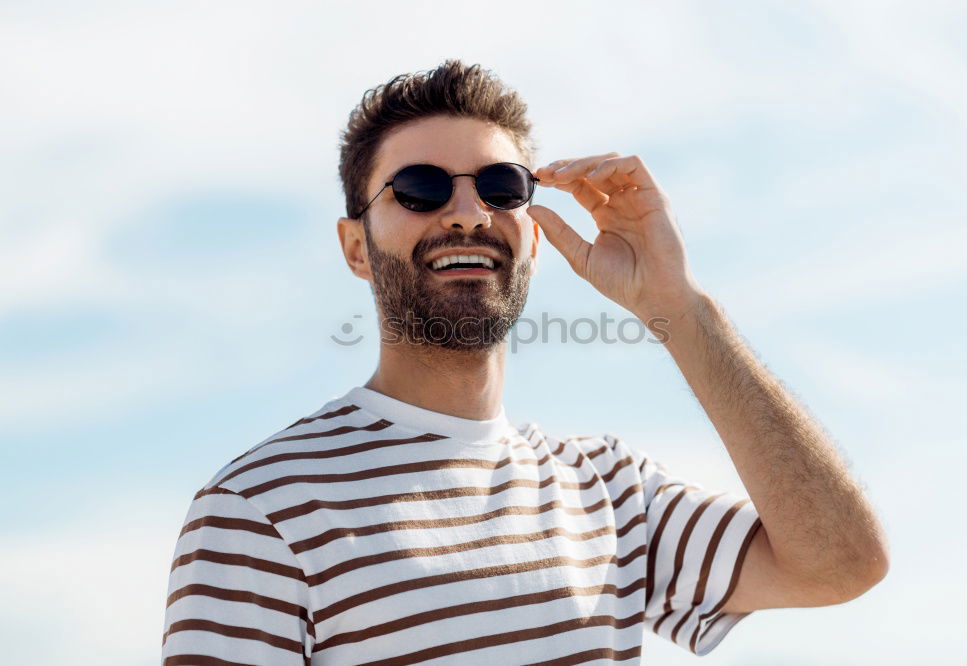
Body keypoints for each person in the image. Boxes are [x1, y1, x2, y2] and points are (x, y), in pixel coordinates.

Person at [160, 59, 889, 665]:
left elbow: (841, 562)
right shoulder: (261, 508)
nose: (470, 213)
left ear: (533, 237)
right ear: (356, 247)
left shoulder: (609, 490)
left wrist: (679, 304)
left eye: (502, 187)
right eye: (420, 188)